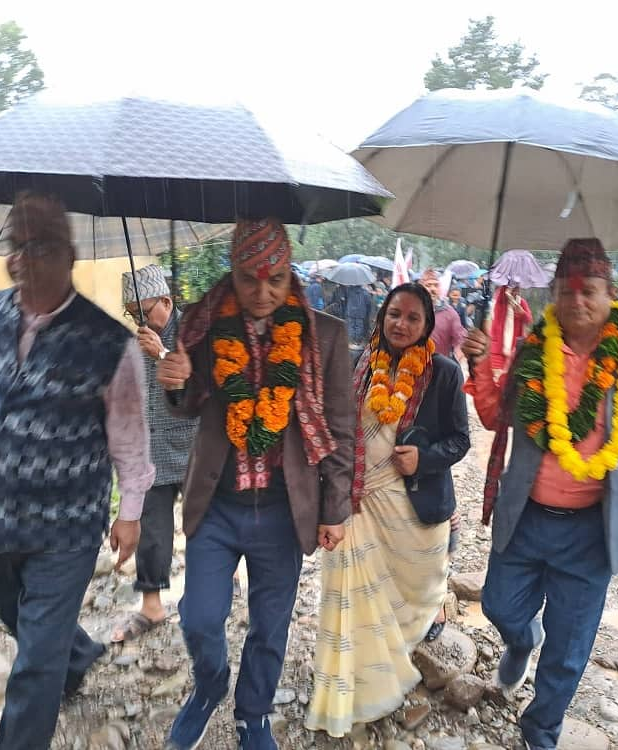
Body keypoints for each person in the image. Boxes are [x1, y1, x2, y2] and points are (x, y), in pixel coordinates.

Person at [461, 238, 618, 750]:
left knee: (570, 648)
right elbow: (493, 417)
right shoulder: (534, 350)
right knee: (499, 607)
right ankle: (521, 639)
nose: (577, 300)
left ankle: (541, 730)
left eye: (589, 290)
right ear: (554, 294)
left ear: (609, 294)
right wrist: (480, 365)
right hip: (527, 516)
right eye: (567, 290)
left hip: (590, 532)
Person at [0, 192, 154, 750]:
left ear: (70, 255)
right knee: (17, 616)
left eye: (41, 246)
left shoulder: (110, 343)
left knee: (32, 665)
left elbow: (129, 436)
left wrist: (130, 513)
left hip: (67, 526)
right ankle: (74, 656)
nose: (23, 259)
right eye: (16, 245)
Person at [156, 218, 355, 750]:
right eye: (249, 279)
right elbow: (187, 404)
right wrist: (174, 381)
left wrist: (334, 507)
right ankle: (209, 684)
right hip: (217, 505)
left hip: (283, 510)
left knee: (270, 626)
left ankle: (252, 714)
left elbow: (339, 428)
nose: (262, 292)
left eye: (274, 279)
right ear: (234, 274)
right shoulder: (200, 327)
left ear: (290, 275)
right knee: (199, 617)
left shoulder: (327, 337)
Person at [305, 283, 470, 738]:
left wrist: (426, 458)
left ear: (427, 325)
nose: (401, 324)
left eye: (413, 318)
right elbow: (333, 428)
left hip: (409, 508)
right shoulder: (358, 363)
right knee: (348, 599)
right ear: (382, 316)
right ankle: (349, 691)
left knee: (408, 598)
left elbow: (460, 440)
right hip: (355, 503)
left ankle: (390, 667)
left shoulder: (443, 372)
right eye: (394, 314)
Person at [111, 265, 200, 643]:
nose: (139, 321)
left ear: (167, 301)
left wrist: (163, 352)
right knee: (152, 526)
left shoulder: (196, 333)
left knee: (203, 524)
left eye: (144, 312)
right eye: (132, 314)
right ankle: (152, 603)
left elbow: (207, 386)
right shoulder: (133, 345)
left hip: (197, 446)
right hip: (154, 450)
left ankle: (209, 590)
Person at [489, 283, 533, 382]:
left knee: (510, 379)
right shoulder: (500, 302)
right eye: (512, 288)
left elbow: (529, 319)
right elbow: (495, 316)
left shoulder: (522, 302)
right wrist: (507, 297)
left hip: (514, 347)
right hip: (498, 348)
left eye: (517, 288)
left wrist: (521, 312)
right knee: (497, 379)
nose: (515, 291)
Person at [420, 268, 465, 358]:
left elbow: (459, 340)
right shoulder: (411, 310)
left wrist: (462, 361)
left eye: (436, 285)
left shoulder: (450, 313)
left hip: (439, 366)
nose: (433, 289)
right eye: (428, 285)